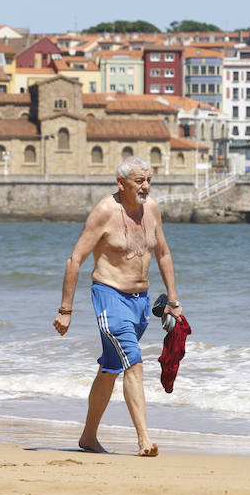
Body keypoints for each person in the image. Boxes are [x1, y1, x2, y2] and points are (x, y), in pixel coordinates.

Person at [53, 156, 183, 457]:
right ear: (121, 183)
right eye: (140, 181)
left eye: (149, 180)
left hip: (140, 302)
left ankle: (87, 437)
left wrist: (173, 300)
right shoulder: (104, 211)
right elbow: (75, 259)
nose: (146, 186)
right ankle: (144, 440)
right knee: (133, 362)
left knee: (110, 368)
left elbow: (162, 253)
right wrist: (65, 309)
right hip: (109, 297)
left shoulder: (151, 209)